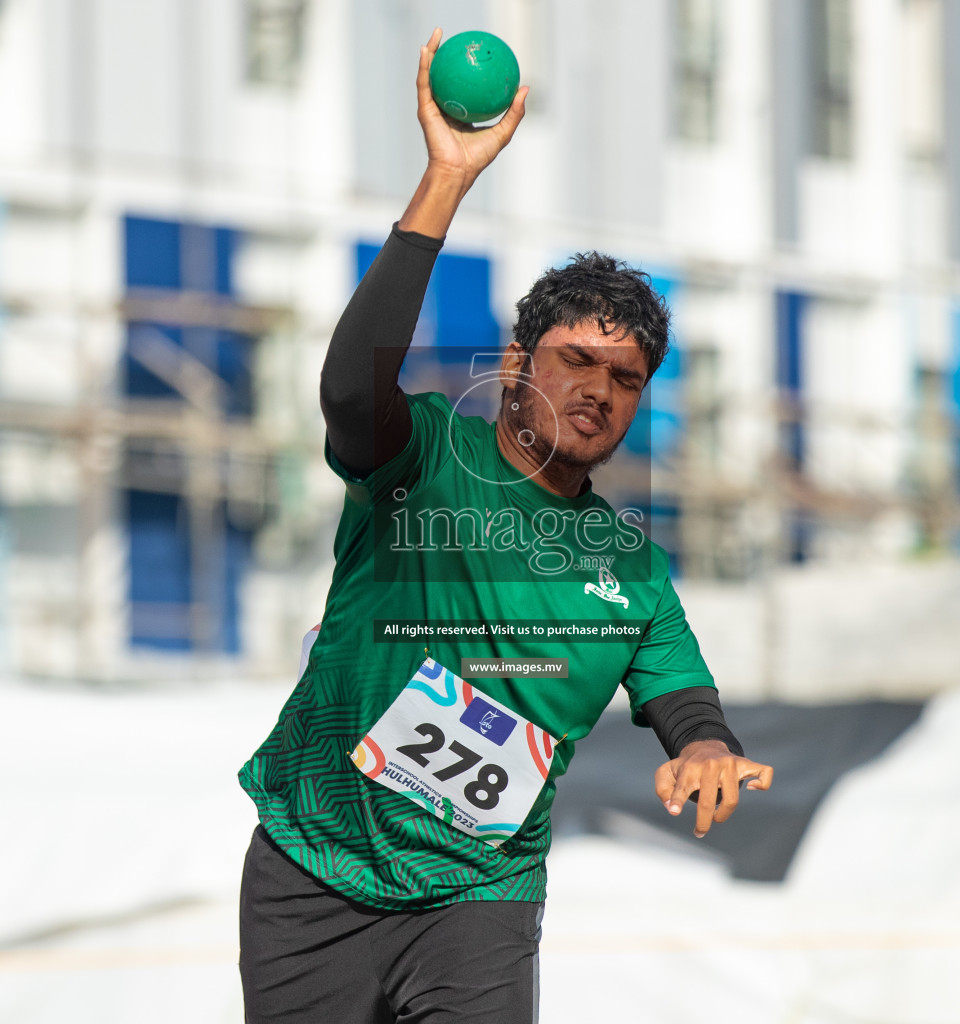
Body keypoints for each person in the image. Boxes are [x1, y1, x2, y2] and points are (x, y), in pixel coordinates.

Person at [236, 28, 773, 1024]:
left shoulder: (631, 570)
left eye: (626, 379)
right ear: (520, 359)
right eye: (576, 360)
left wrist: (702, 746)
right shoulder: (429, 461)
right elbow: (352, 390)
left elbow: (682, 694)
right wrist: (445, 180)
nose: (599, 391)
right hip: (315, 864)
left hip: (479, 895)